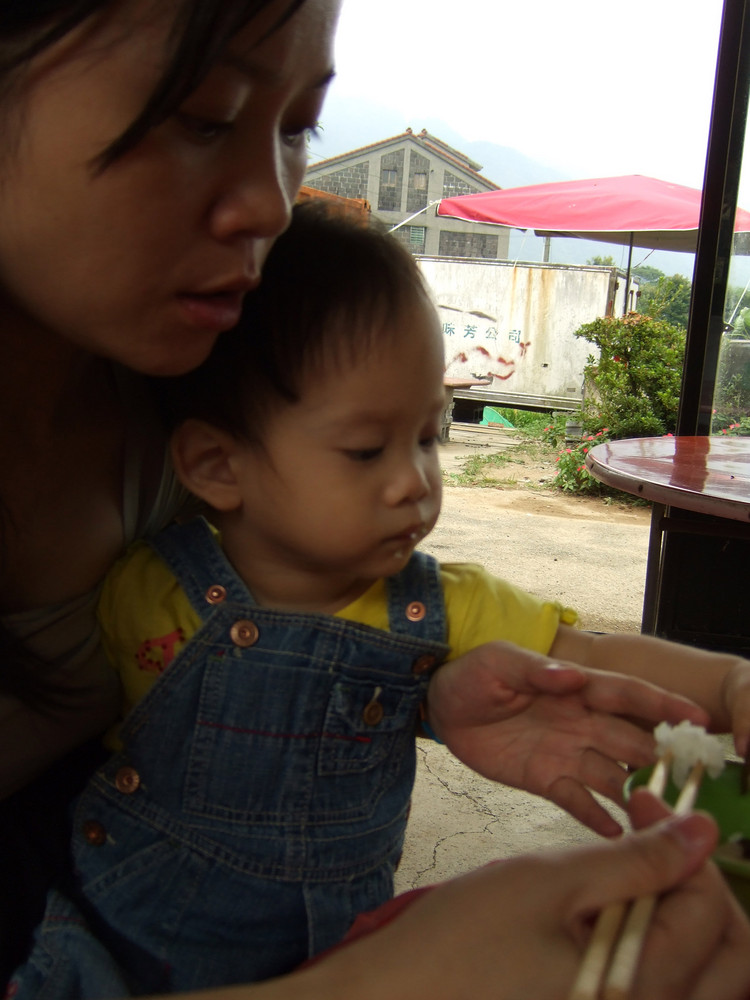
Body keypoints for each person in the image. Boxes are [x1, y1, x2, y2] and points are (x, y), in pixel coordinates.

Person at [0, 2, 749, 998]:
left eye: (297, 126)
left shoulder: (189, 382)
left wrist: (418, 697)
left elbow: (584, 651)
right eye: (206, 118)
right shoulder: (162, 572)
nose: (272, 205)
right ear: (215, 464)